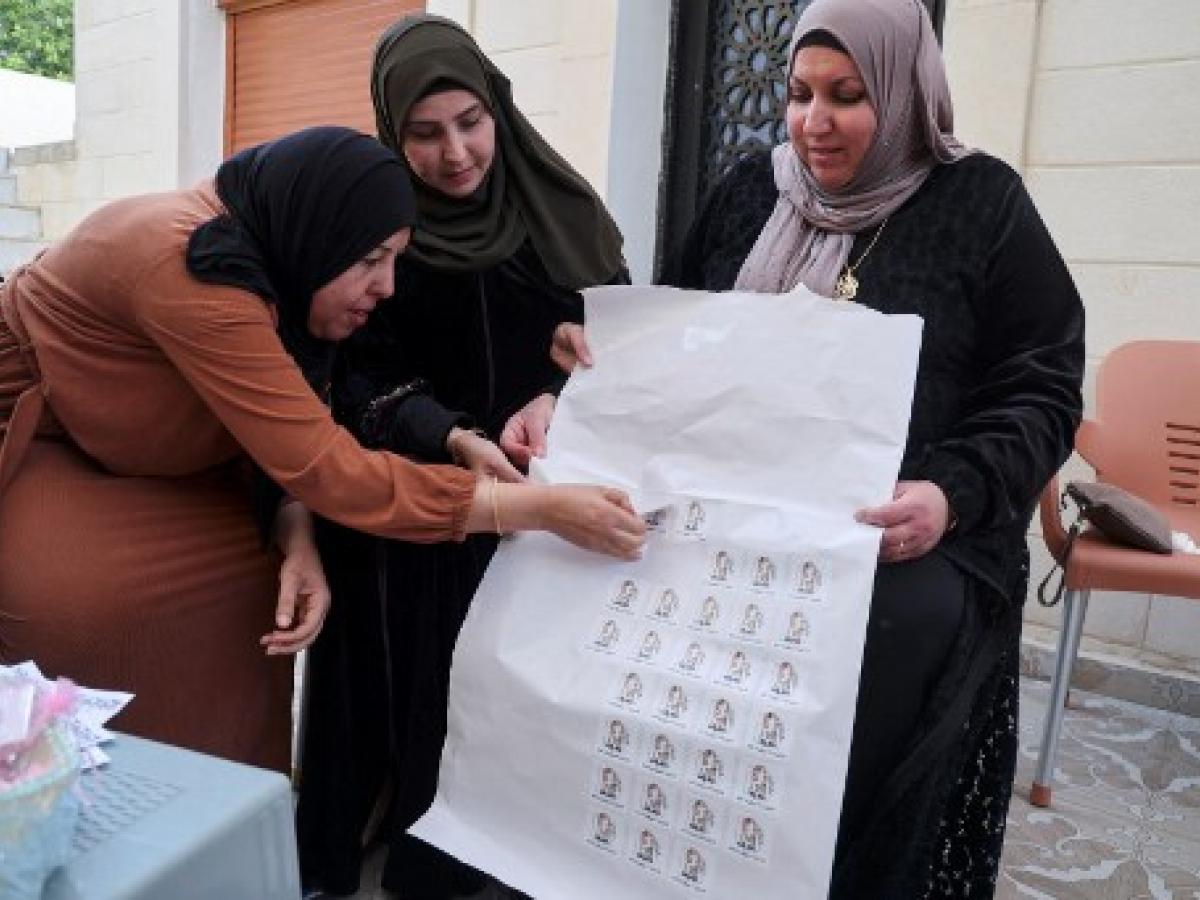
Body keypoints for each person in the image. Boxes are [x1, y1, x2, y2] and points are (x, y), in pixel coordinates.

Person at [0, 126, 644, 775]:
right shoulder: (201, 272)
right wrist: (537, 509)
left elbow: (288, 435)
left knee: (256, 582)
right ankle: (87, 800)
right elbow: (328, 468)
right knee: (84, 603)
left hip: (171, 447)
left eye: (395, 261)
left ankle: (228, 807)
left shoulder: (277, 259)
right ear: (318, 230)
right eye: (369, 260)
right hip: (45, 429)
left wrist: (297, 535)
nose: (387, 287)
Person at [664, 0, 1084, 895]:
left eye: (848, 96)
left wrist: (951, 492)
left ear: (903, 96)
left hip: (911, 527)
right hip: (745, 506)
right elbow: (678, 333)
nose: (814, 122)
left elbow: (1043, 388)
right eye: (800, 94)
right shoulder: (749, 191)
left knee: (887, 625)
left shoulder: (982, 203)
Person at [295, 16, 631, 898]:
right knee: (416, 702)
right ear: (391, 131)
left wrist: (559, 386)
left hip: (539, 510)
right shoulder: (377, 228)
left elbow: (621, 342)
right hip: (410, 512)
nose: (454, 154)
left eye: (470, 122)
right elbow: (352, 373)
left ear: (498, 110)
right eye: (424, 132)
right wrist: (444, 431)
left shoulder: (559, 213)